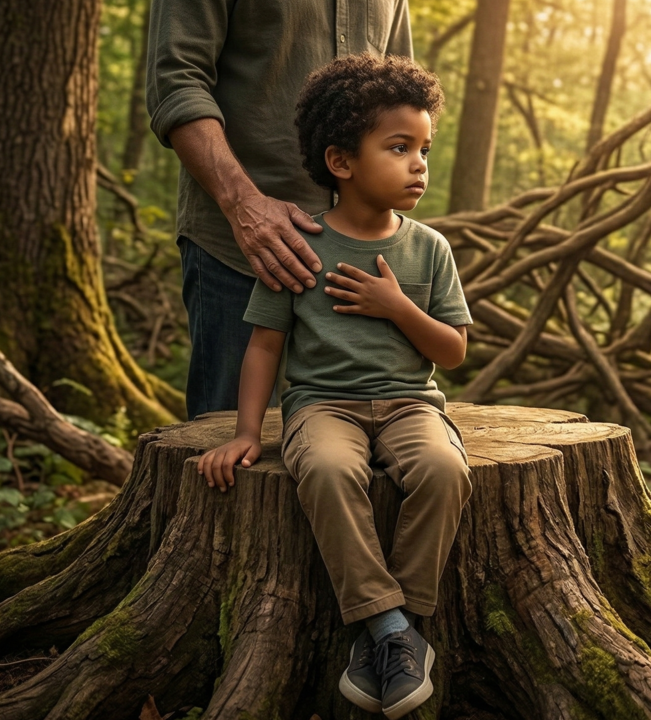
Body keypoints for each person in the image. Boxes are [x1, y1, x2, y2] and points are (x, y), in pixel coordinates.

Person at [197, 56, 470, 720]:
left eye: (424, 149)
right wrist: (244, 431)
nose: (419, 165)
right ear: (342, 161)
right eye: (399, 147)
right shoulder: (302, 245)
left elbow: (454, 352)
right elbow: (265, 345)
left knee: (442, 470)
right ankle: (389, 632)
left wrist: (397, 306)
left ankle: (395, 627)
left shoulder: (429, 248)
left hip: (411, 402)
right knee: (323, 470)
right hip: (323, 406)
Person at [148, 0, 413, 419]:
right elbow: (177, 80)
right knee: (230, 445)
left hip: (358, 265)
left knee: (368, 440)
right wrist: (244, 205)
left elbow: (400, 97)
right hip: (240, 250)